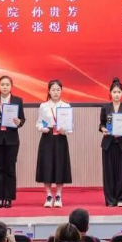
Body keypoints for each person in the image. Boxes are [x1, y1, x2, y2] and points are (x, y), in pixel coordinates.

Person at [0, 75, 26, 209]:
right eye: (2, 84)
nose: (5, 87)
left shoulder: (17, 100)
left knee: (10, 169)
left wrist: (19, 122)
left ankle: (8, 198)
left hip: (12, 139)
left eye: (7, 84)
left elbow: (22, 119)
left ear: (11, 86)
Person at [36, 79, 73, 208]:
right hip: (47, 137)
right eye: (53, 90)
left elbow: (70, 126)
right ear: (49, 91)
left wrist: (65, 130)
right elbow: (38, 123)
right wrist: (42, 128)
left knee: (60, 166)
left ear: (61, 91)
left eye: (58, 90)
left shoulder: (66, 106)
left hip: (60, 138)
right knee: (47, 165)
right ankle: (48, 195)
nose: (56, 92)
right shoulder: (43, 106)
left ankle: (58, 195)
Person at [100, 78, 122, 207]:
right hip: (108, 144)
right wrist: (103, 129)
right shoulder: (105, 107)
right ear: (110, 93)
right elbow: (102, 124)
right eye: (114, 92)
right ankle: (110, 200)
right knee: (108, 173)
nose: (116, 94)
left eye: (119, 92)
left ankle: (121, 199)